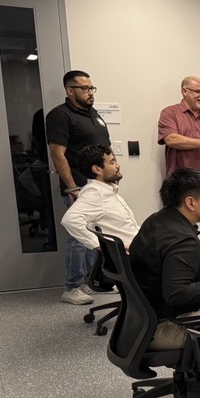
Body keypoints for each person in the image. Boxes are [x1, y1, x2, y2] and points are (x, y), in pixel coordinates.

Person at [129, 168, 200, 351]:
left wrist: (191, 258)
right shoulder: (183, 242)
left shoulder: (157, 219)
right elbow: (177, 295)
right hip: (164, 327)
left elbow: (159, 254)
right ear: (190, 203)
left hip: (140, 322)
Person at [46, 70, 112, 305]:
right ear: (69, 90)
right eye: (84, 88)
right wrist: (72, 188)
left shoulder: (93, 114)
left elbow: (106, 149)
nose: (90, 92)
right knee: (78, 236)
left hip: (101, 186)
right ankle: (72, 287)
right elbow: (58, 154)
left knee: (100, 235)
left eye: (92, 88)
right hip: (80, 186)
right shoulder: (59, 116)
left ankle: (90, 282)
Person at [60, 144, 139, 252]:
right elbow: (70, 219)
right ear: (97, 169)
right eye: (112, 162)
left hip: (139, 249)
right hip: (134, 258)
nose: (117, 165)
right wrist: (104, 246)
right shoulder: (95, 192)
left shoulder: (107, 191)